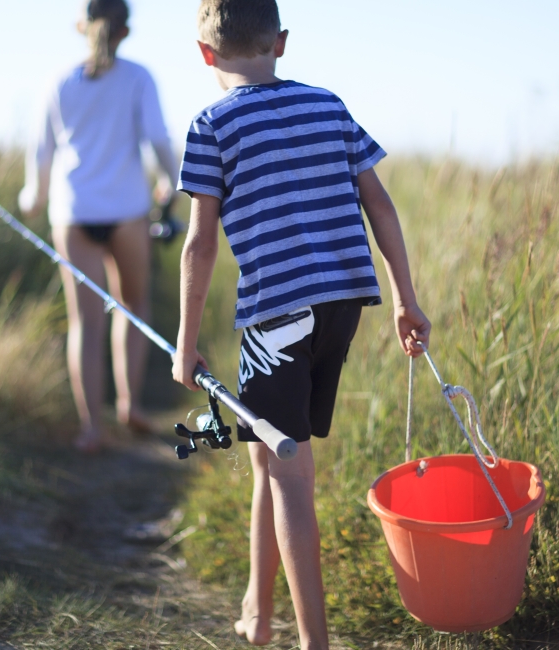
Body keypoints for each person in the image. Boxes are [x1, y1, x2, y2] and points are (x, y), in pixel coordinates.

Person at [171, 1, 432, 647]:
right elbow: (380, 202)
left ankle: (315, 642)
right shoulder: (327, 105)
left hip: (278, 315)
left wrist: (185, 342)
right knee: (270, 452)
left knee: (287, 472)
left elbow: (199, 244)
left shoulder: (212, 124)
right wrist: (406, 298)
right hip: (343, 304)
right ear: (280, 43)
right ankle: (257, 614)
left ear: (205, 54)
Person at [19, 0, 178, 453]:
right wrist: (169, 180)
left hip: (72, 212)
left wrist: (33, 195)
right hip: (127, 211)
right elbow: (158, 139)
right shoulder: (137, 77)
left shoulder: (59, 81)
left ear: (82, 28)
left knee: (84, 323)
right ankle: (130, 405)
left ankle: (92, 428)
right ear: (124, 31)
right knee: (132, 306)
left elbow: (41, 151)